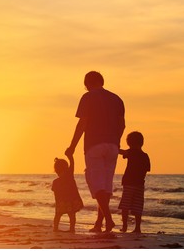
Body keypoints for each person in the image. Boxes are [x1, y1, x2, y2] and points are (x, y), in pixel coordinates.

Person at [65, 71, 125, 232]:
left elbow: (82, 124)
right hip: (113, 146)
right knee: (105, 186)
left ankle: (109, 220)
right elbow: (122, 125)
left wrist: (72, 146)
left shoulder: (87, 97)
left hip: (94, 145)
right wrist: (115, 141)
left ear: (87, 83)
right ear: (102, 81)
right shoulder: (117, 99)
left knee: (97, 184)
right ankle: (99, 223)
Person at [118, 131, 151, 233]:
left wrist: (114, 143)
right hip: (140, 184)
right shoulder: (145, 155)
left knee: (125, 206)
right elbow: (148, 169)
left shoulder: (131, 152)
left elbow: (121, 152)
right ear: (142, 142)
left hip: (129, 183)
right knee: (138, 206)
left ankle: (124, 227)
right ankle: (137, 228)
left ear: (129, 143)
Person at [52, 155, 84, 233]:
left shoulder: (55, 182)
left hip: (61, 202)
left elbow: (55, 194)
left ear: (56, 170)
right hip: (70, 201)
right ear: (67, 168)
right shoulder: (69, 176)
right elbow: (72, 164)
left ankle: (55, 228)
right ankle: (72, 228)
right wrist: (70, 156)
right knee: (72, 215)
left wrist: (58, 204)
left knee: (58, 215)